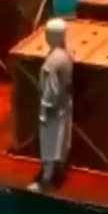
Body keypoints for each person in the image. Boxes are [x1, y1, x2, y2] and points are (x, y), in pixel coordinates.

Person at [28, 18, 73, 193]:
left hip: (53, 110)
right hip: (65, 104)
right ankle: (59, 172)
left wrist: (44, 110)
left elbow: (50, 89)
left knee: (49, 144)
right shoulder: (66, 55)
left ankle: (47, 180)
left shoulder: (53, 61)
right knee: (62, 141)